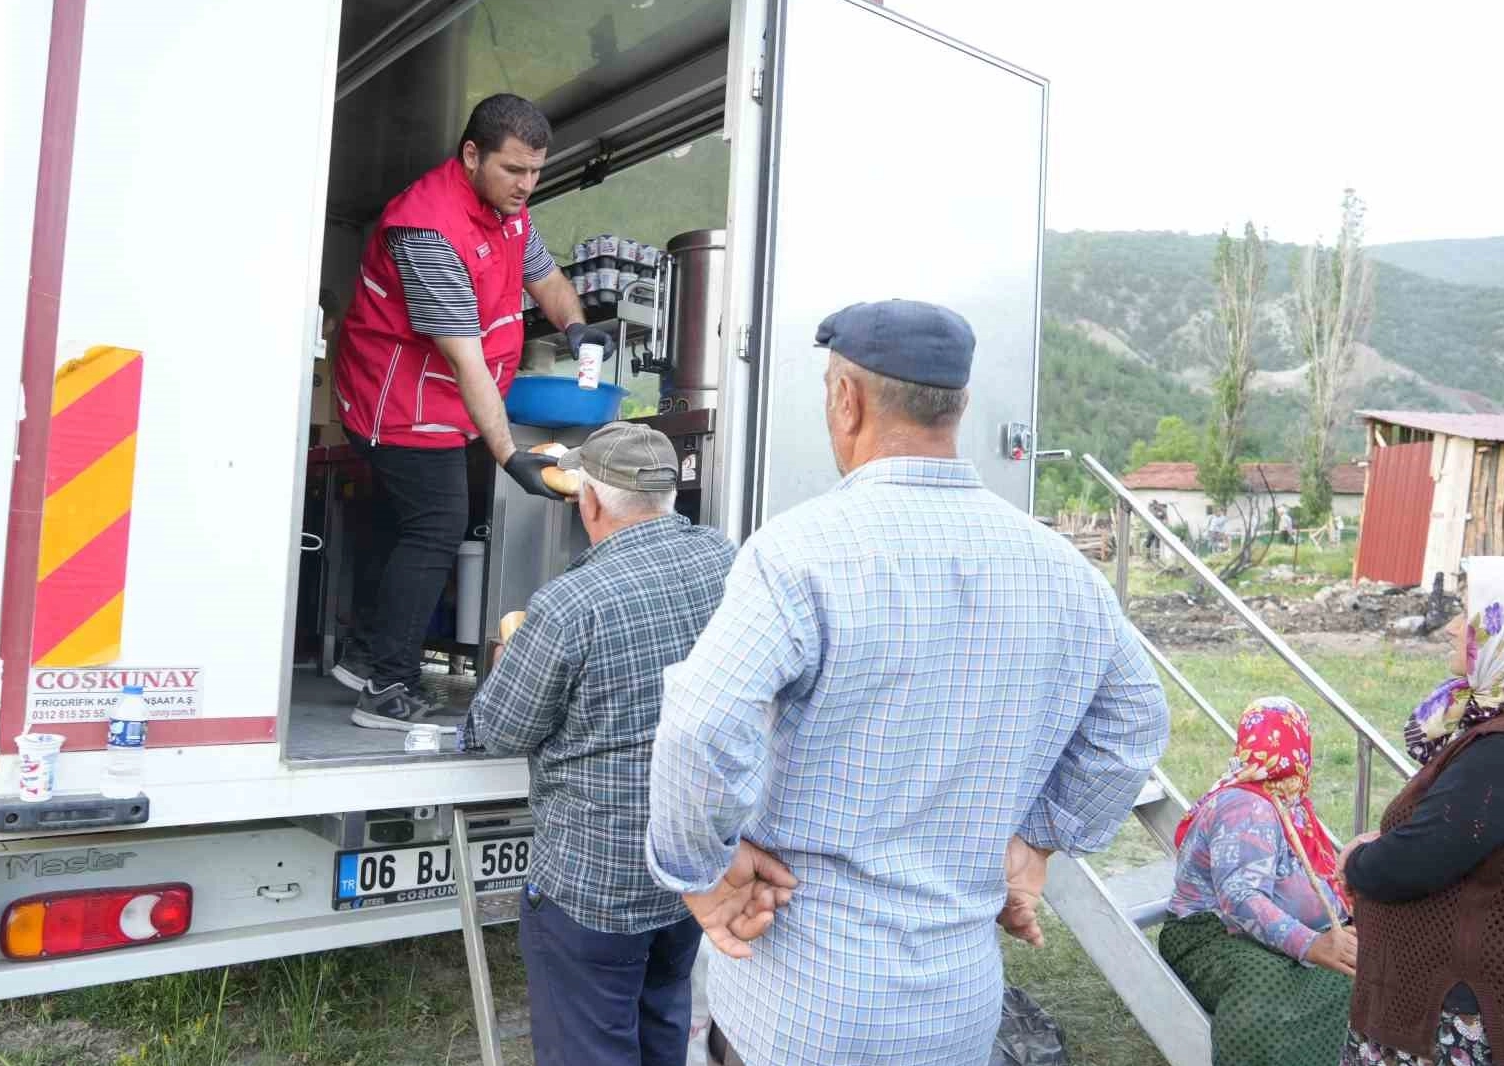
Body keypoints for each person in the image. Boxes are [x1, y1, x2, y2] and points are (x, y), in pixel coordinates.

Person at [643, 299, 1171, 1065]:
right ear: (953, 409)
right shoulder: (1061, 569)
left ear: (845, 399)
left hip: (804, 1004)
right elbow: (1133, 721)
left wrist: (701, 871)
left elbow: (700, 726)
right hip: (958, 1011)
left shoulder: (800, 552)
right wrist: (1039, 841)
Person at [330, 92, 616, 730]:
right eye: (514, 170)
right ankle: (386, 689)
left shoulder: (507, 209)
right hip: (397, 400)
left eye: (536, 170)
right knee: (436, 524)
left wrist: (576, 327)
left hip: (448, 399)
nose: (527, 184)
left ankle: (366, 653)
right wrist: (510, 454)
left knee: (404, 523)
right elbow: (464, 357)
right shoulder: (427, 229)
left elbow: (543, 277)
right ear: (471, 155)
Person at [467, 422, 736, 1066]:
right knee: (663, 1026)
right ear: (671, 495)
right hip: (691, 868)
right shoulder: (731, 563)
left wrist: (512, 657)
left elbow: (499, 731)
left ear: (587, 503)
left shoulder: (569, 604)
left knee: (590, 1046)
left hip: (595, 886)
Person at [1339, 556, 1504, 1066]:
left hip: (1456, 1015)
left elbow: (1423, 858)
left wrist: (1359, 863)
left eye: (1469, 613)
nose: (1452, 626)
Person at [1159, 697, 1355, 1066]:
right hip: (1205, 935)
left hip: (1251, 931)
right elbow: (1240, 896)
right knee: (1266, 985)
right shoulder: (1245, 805)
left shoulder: (1288, 803)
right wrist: (1311, 944)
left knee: (1344, 973)